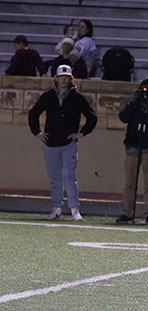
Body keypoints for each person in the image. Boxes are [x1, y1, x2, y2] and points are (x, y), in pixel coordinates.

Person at [28, 65, 97, 221]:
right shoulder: (48, 95)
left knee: (69, 176)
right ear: (56, 78)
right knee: (55, 178)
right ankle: (57, 207)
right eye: (61, 76)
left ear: (70, 78)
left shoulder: (77, 97)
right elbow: (33, 113)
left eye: (66, 76)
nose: (64, 79)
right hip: (50, 144)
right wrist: (38, 132)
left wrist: (82, 132)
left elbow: (92, 116)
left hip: (68, 144)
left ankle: (74, 209)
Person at [115, 79, 148, 225]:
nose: (146, 95)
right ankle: (127, 212)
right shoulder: (134, 104)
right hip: (133, 146)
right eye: (143, 91)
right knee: (130, 182)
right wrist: (134, 103)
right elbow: (123, 117)